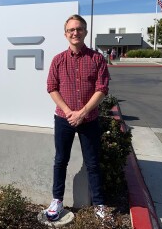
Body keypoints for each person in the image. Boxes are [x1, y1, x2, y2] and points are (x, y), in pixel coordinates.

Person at [45, 14, 110, 222]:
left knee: (92, 163)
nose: (75, 33)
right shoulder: (58, 60)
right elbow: (51, 88)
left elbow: (102, 88)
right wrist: (68, 112)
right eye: (71, 30)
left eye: (79, 29)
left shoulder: (97, 59)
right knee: (60, 161)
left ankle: (99, 204)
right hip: (63, 119)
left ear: (86, 32)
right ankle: (57, 200)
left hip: (89, 119)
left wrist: (82, 113)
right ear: (65, 34)